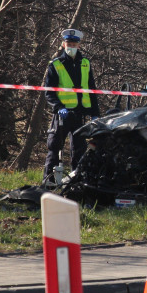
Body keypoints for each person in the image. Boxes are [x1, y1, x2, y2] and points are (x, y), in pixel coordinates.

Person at [43, 28, 100, 185]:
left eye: (74, 44)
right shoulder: (56, 65)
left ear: (79, 46)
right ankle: (49, 181)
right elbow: (49, 93)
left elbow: (92, 90)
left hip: (80, 115)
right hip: (62, 114)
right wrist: (57, 107)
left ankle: (77, 182)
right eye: (69, 43)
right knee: (54, 148)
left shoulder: (85, 64)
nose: (71, 46)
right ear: (63, 44)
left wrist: (95, 113)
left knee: (79, 150)